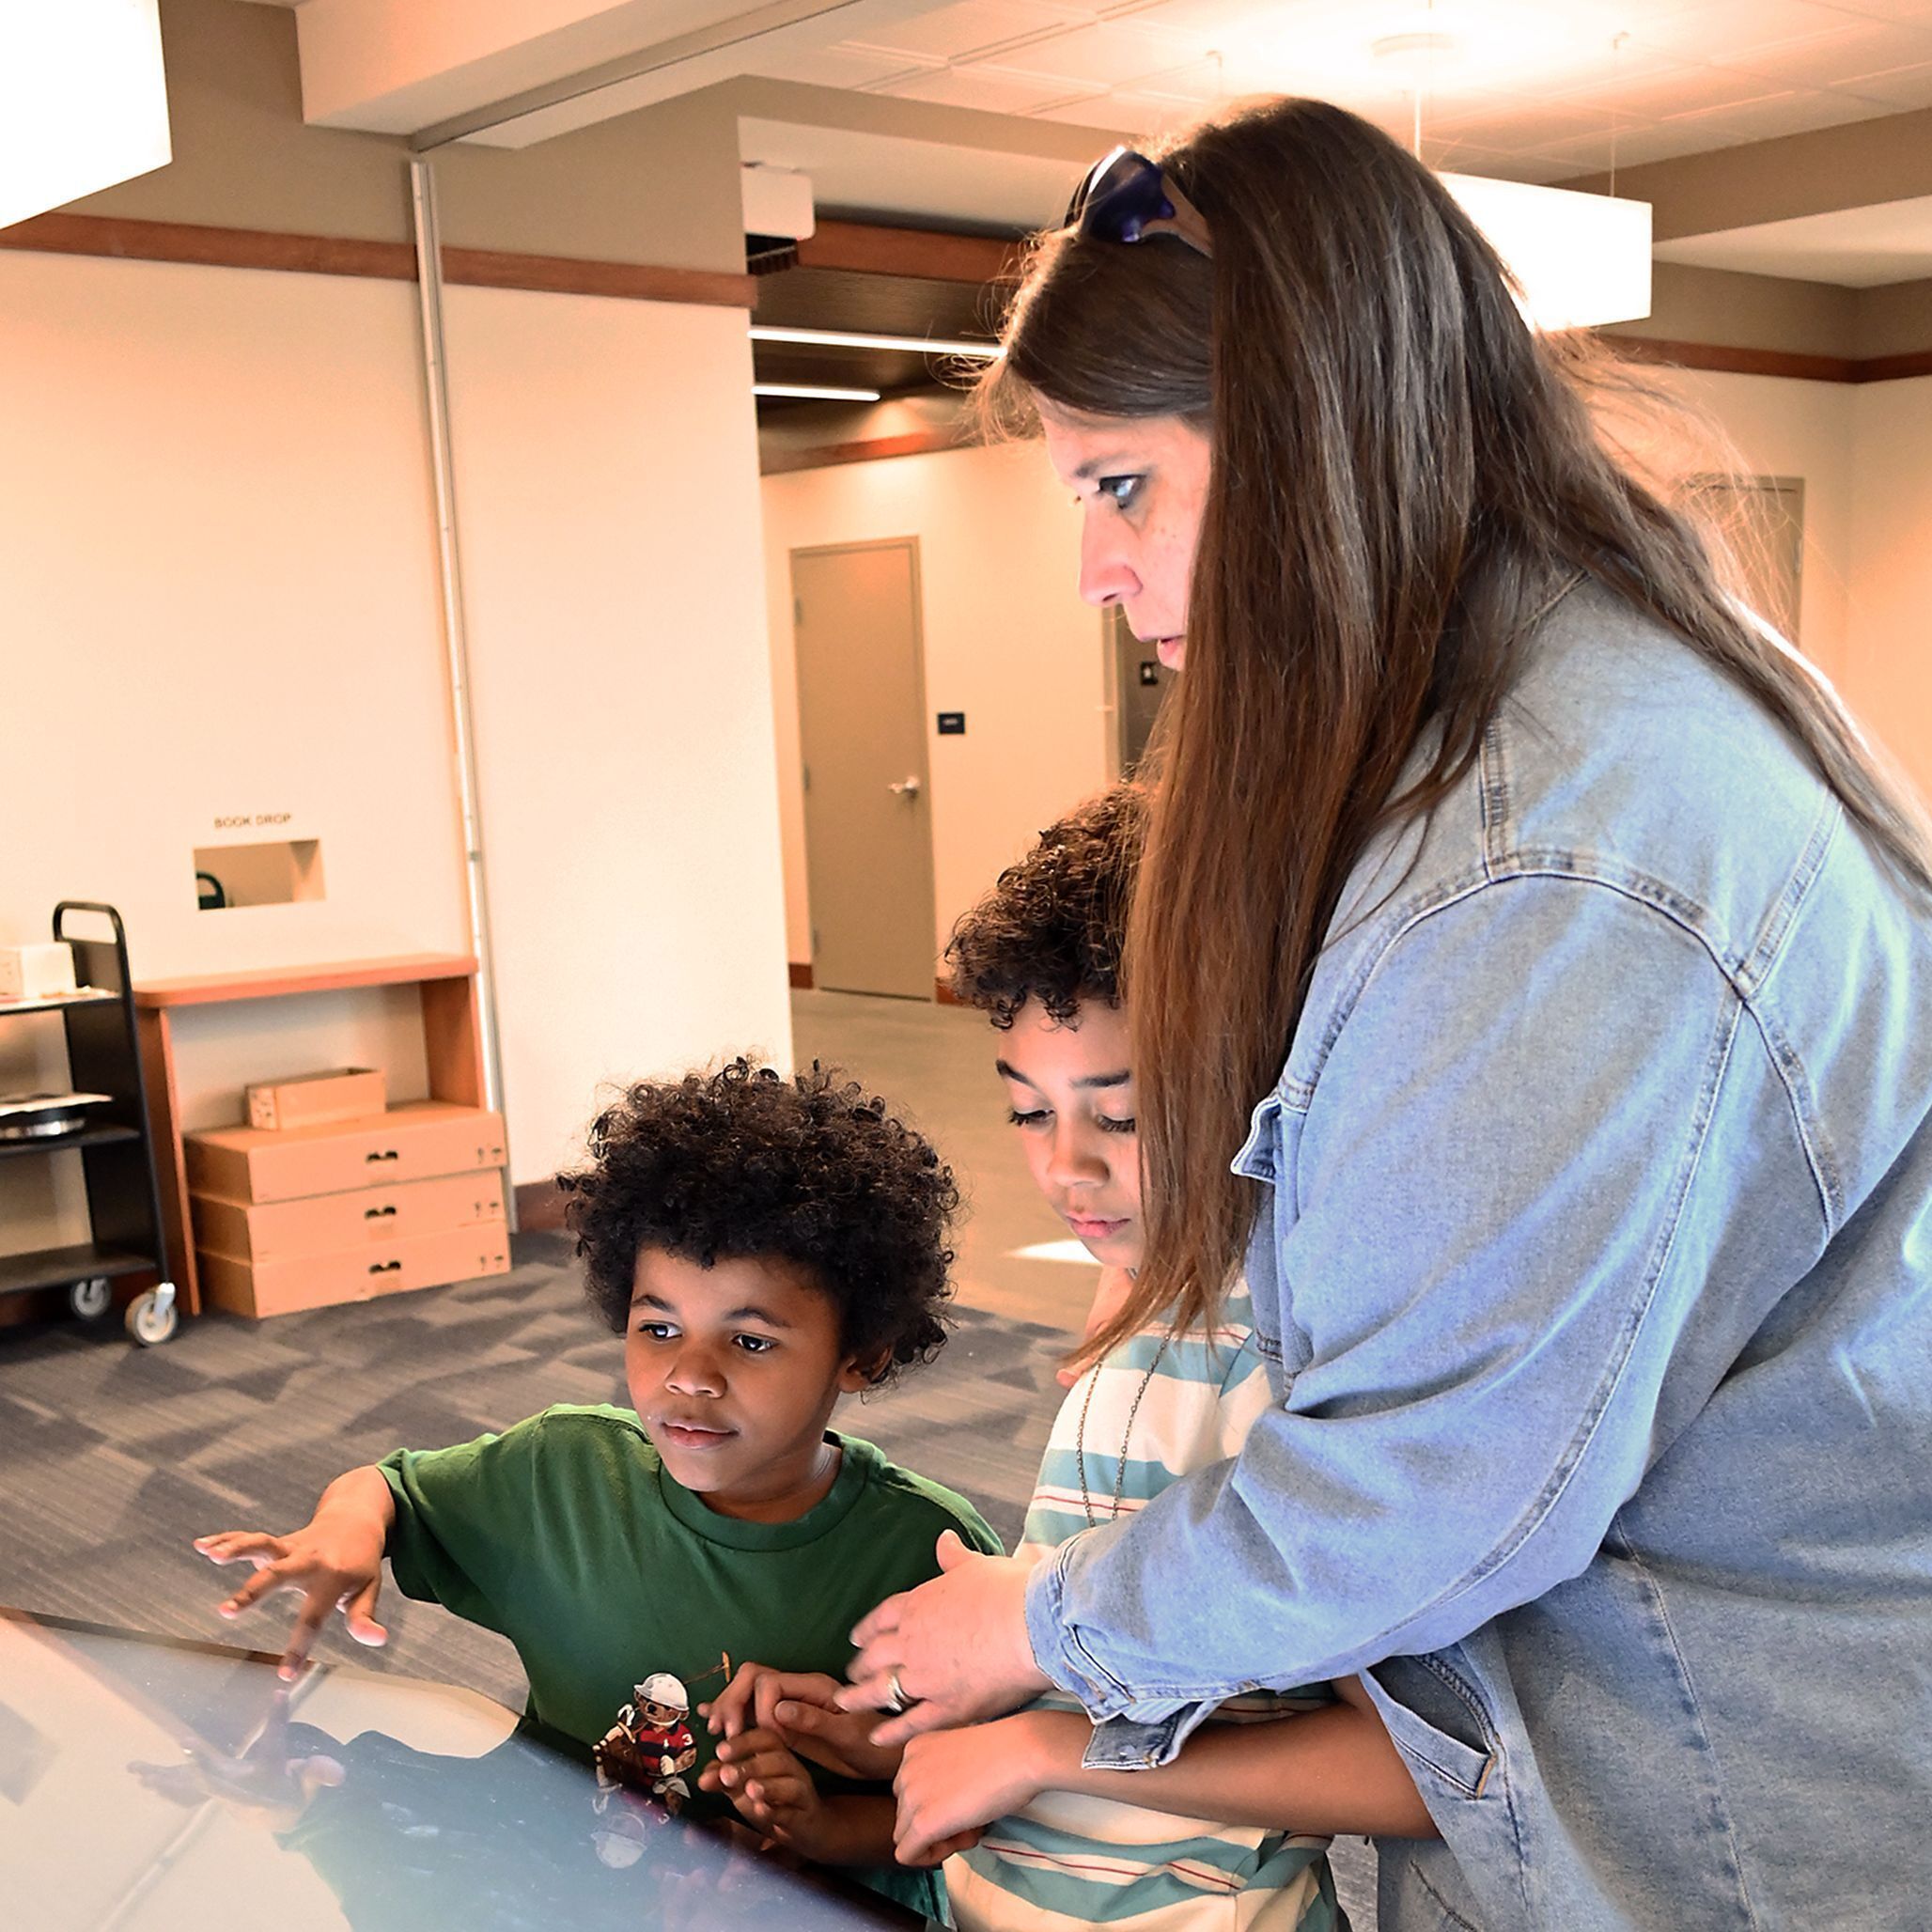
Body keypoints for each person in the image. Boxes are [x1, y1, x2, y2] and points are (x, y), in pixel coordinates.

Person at [836, 100, 1932, 1930]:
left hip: (1713, 1806)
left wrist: (1039, 1624)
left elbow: (1421, 1497)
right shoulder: (1562, 697)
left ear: (1301, 443)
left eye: (1120, 486)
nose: (1094, 572)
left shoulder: (1548, 865)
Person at [195, 1057, 1000, 1917]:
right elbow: (391, 1490)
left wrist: (822, 1829)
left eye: (751, 1341)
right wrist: (346, 1530)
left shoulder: (932, 1558)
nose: (690, 1376)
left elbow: (979, 1806)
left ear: (862, 1353)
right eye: (659, 1328)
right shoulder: (566, 1475)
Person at [918, 785, 1433, 1926]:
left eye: (1119, 1115)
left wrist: (1040, 1748)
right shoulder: (1146, 1294)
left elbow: (1414, 1771)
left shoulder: (1298, 1366)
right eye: (1028, 1113)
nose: (1065, 1168)